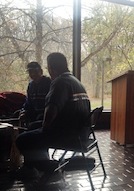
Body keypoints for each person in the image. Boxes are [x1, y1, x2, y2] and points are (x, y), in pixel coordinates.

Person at [15, 52, 91, 181]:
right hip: (81, 132)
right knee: (33, 127)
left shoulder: (59, 82)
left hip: (69, 135)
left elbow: (51, 110)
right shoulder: (75, 81)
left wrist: (44, 129)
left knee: (22, 140)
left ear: (50, 67)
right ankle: (35, 166)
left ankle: (50, 167)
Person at [20, 62, 51, 128]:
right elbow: (28, 103)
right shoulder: (31, 86)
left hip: (45, 115)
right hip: (34, 113)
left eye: (35, 71)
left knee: (33, 125)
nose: (33, 74)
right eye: (30, 72)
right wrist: (24, 111)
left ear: (41, 71)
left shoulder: (49, 83)